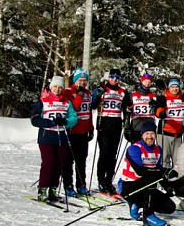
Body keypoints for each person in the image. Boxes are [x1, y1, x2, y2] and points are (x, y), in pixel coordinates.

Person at [117, 120, 176, 226]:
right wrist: (164, 171)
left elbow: (158, 170)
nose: (150, 137)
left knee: (169, 207)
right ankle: (148, 216)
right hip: (129, 187)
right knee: (152, 179)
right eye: (147, 134)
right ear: (142, 135)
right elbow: (140, 171)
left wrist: (167, 186)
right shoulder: (134, 149)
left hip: (146, 187)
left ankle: (136, 203)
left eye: (152, 133)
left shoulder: (158, 149)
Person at [31, 75, 78, 202]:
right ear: (51, 87)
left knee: (59, 163)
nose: (57, 89)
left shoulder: (66, 102)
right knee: (48, 163)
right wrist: (50, 122)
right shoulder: (42, 101)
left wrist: (65, 121)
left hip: (62, 136)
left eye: (60, 87)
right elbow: (34, 119)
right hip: (47, 136)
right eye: (55, 87)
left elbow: (74, 118)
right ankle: (42, 189)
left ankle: (53, 189)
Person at [92, 68, 131, 195]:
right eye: (112, 77)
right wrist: (98, 95)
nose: (114, 80)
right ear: (108, 77)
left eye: (117, 78)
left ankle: (109, 180)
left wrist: (126, 124)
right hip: (103, 123)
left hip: (116, 124)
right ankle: (101, 180)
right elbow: (93, 105)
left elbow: (126, 109)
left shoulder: (122, 92)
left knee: (113, 154)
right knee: (104, 153)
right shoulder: (102, 89)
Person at [62, 68, 94, 197]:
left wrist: (90, 128)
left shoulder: (87, 93)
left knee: (81, 160)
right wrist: (79, 96)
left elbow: (88, 112)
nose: (83, 83)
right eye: (80, 80)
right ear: (75, 80)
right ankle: (68, 185)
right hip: (72, 131)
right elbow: (73, 108)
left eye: (85, 80)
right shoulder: (68, 92)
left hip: (83, 131)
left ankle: (81, 184)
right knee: (68, 160)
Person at [154, 78, 184, 169]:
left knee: (177, 159)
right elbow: (158, 110)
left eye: (176, 87)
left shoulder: (183, 99)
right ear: (169, 88)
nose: (175, 89)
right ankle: (164, 176)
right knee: (164, 158)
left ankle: (175, 176)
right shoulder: (164, 98)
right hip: (165, 132)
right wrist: (161, 113)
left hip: (178, 133)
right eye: (172, 87)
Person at [126, 73, 157, 143]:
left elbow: (156, 113)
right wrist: (127, 127)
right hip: (136, 127)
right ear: (141, 82)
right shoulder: (133, 95)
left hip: (149, 127)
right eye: (145, 82)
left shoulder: (154, 96)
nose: (147, 84)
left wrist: (155, 106)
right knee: (136, 147)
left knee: (148, 147)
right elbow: (127, 112)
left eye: (149, 82)